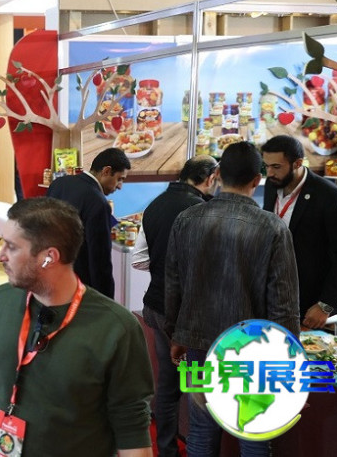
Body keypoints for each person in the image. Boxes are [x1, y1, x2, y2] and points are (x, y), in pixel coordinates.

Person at [0, 197, 154, 456]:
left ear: (49, 257)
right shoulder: (2, 300)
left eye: (12, 247)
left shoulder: (117, 329)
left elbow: (131, 426)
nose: (1, 255)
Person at [165, 142, 300, 457]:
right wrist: (291, 360)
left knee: (201, 430)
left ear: (217, 175)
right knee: (253, 432)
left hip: (198, 343)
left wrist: (176, 333)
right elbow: (284, 305)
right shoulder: (273, 228)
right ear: (257, 179)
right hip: (252, 348)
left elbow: (173, 284)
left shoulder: (186, 219)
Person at [131, 155, 218, 457]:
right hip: (187, 314)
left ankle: (167, 449)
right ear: (210, 178)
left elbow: (138, 259)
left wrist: (162, 267)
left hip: (156, 305)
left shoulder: (155, 205)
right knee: (198, 387)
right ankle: (198, 448)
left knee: (168, 385)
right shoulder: (201, 211)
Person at [261, 135, 337, 328]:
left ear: (297, 163)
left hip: (310, 304)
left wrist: (326, 304)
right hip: (274, 297)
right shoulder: (272, 185)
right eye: (266, 166)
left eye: (276, 166)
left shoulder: (329, 196)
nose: (269, 173)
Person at [46, 147, 130, 298]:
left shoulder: (59, 183)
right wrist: (106, 300)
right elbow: (99, 260)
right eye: (119, 179)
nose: (120, 186)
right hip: (78, 288)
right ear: (106, 171)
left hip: (50, 276)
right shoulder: (98, 202)